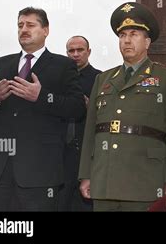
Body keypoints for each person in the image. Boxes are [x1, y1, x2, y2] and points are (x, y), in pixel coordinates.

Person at [78, 2, 166, 211]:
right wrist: (85, 174)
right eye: (122, 35)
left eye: (134, 34)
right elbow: (90, 130)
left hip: (145, 180)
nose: (127, 40)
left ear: (147, 42)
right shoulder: (103, 79)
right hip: (104, 179)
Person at [0, 7, 85, 211]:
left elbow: (78, 108)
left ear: (45, 30)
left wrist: (42, 97)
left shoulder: (63, 66)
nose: (24, 29)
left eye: (30, 25)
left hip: (39, 173)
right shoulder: (0, 64)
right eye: (20, 25)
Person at [58, 36, 101, 211]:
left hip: (88, 151)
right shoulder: (58, 78)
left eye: (80, 50)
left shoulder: (101, 78)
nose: (75, 54)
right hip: (61, 152)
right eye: (71, 51)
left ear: (88, 52)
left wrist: (92, 107)